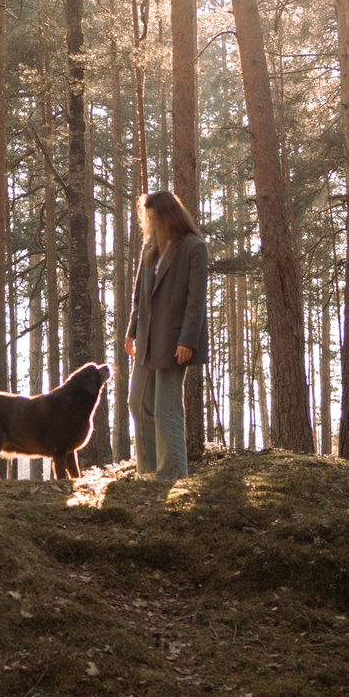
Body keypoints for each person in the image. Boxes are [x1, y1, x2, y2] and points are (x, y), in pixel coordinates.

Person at [124, 190, 208, 480]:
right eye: (146, 217)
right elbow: (139, 297)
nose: (149, 222)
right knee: (137, 403)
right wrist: (131, 331)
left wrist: (188, 339)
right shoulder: (150, 247)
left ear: (168, 215)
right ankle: (148, 471)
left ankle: (172, 475)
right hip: (147, 339)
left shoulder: (194, 247)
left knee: (166, 410)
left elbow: (196, 301)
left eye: (153, 216)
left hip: (175, 342)